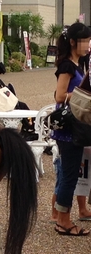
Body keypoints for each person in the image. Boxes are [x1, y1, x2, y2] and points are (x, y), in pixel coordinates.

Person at [51, 22, 91, 236]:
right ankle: (63, 221)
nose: (87, 44)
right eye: (84, 40)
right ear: (73, 41)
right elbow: (58, 96)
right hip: (68, 129)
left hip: (77, 126)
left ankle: (63, 217)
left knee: (71, 174)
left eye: (89, 40)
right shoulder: (66, 65)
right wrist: (82, 95)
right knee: (69, 176)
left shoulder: (80, 63)